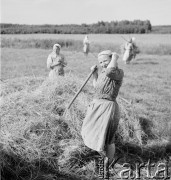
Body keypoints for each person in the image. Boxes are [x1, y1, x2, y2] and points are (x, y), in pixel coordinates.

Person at [81, 50, 124, 178]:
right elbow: (97, 87)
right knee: (90, 131)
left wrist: (115, 57)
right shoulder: (103, 72)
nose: (103, 64)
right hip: (97, 107)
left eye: (105, 61)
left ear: (112, 59)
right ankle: (104, 158)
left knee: (108, 139)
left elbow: (111, 71)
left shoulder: (118, 72)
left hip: (108, 108)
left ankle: (107, 165)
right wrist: (95, 74)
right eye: (100, 62)